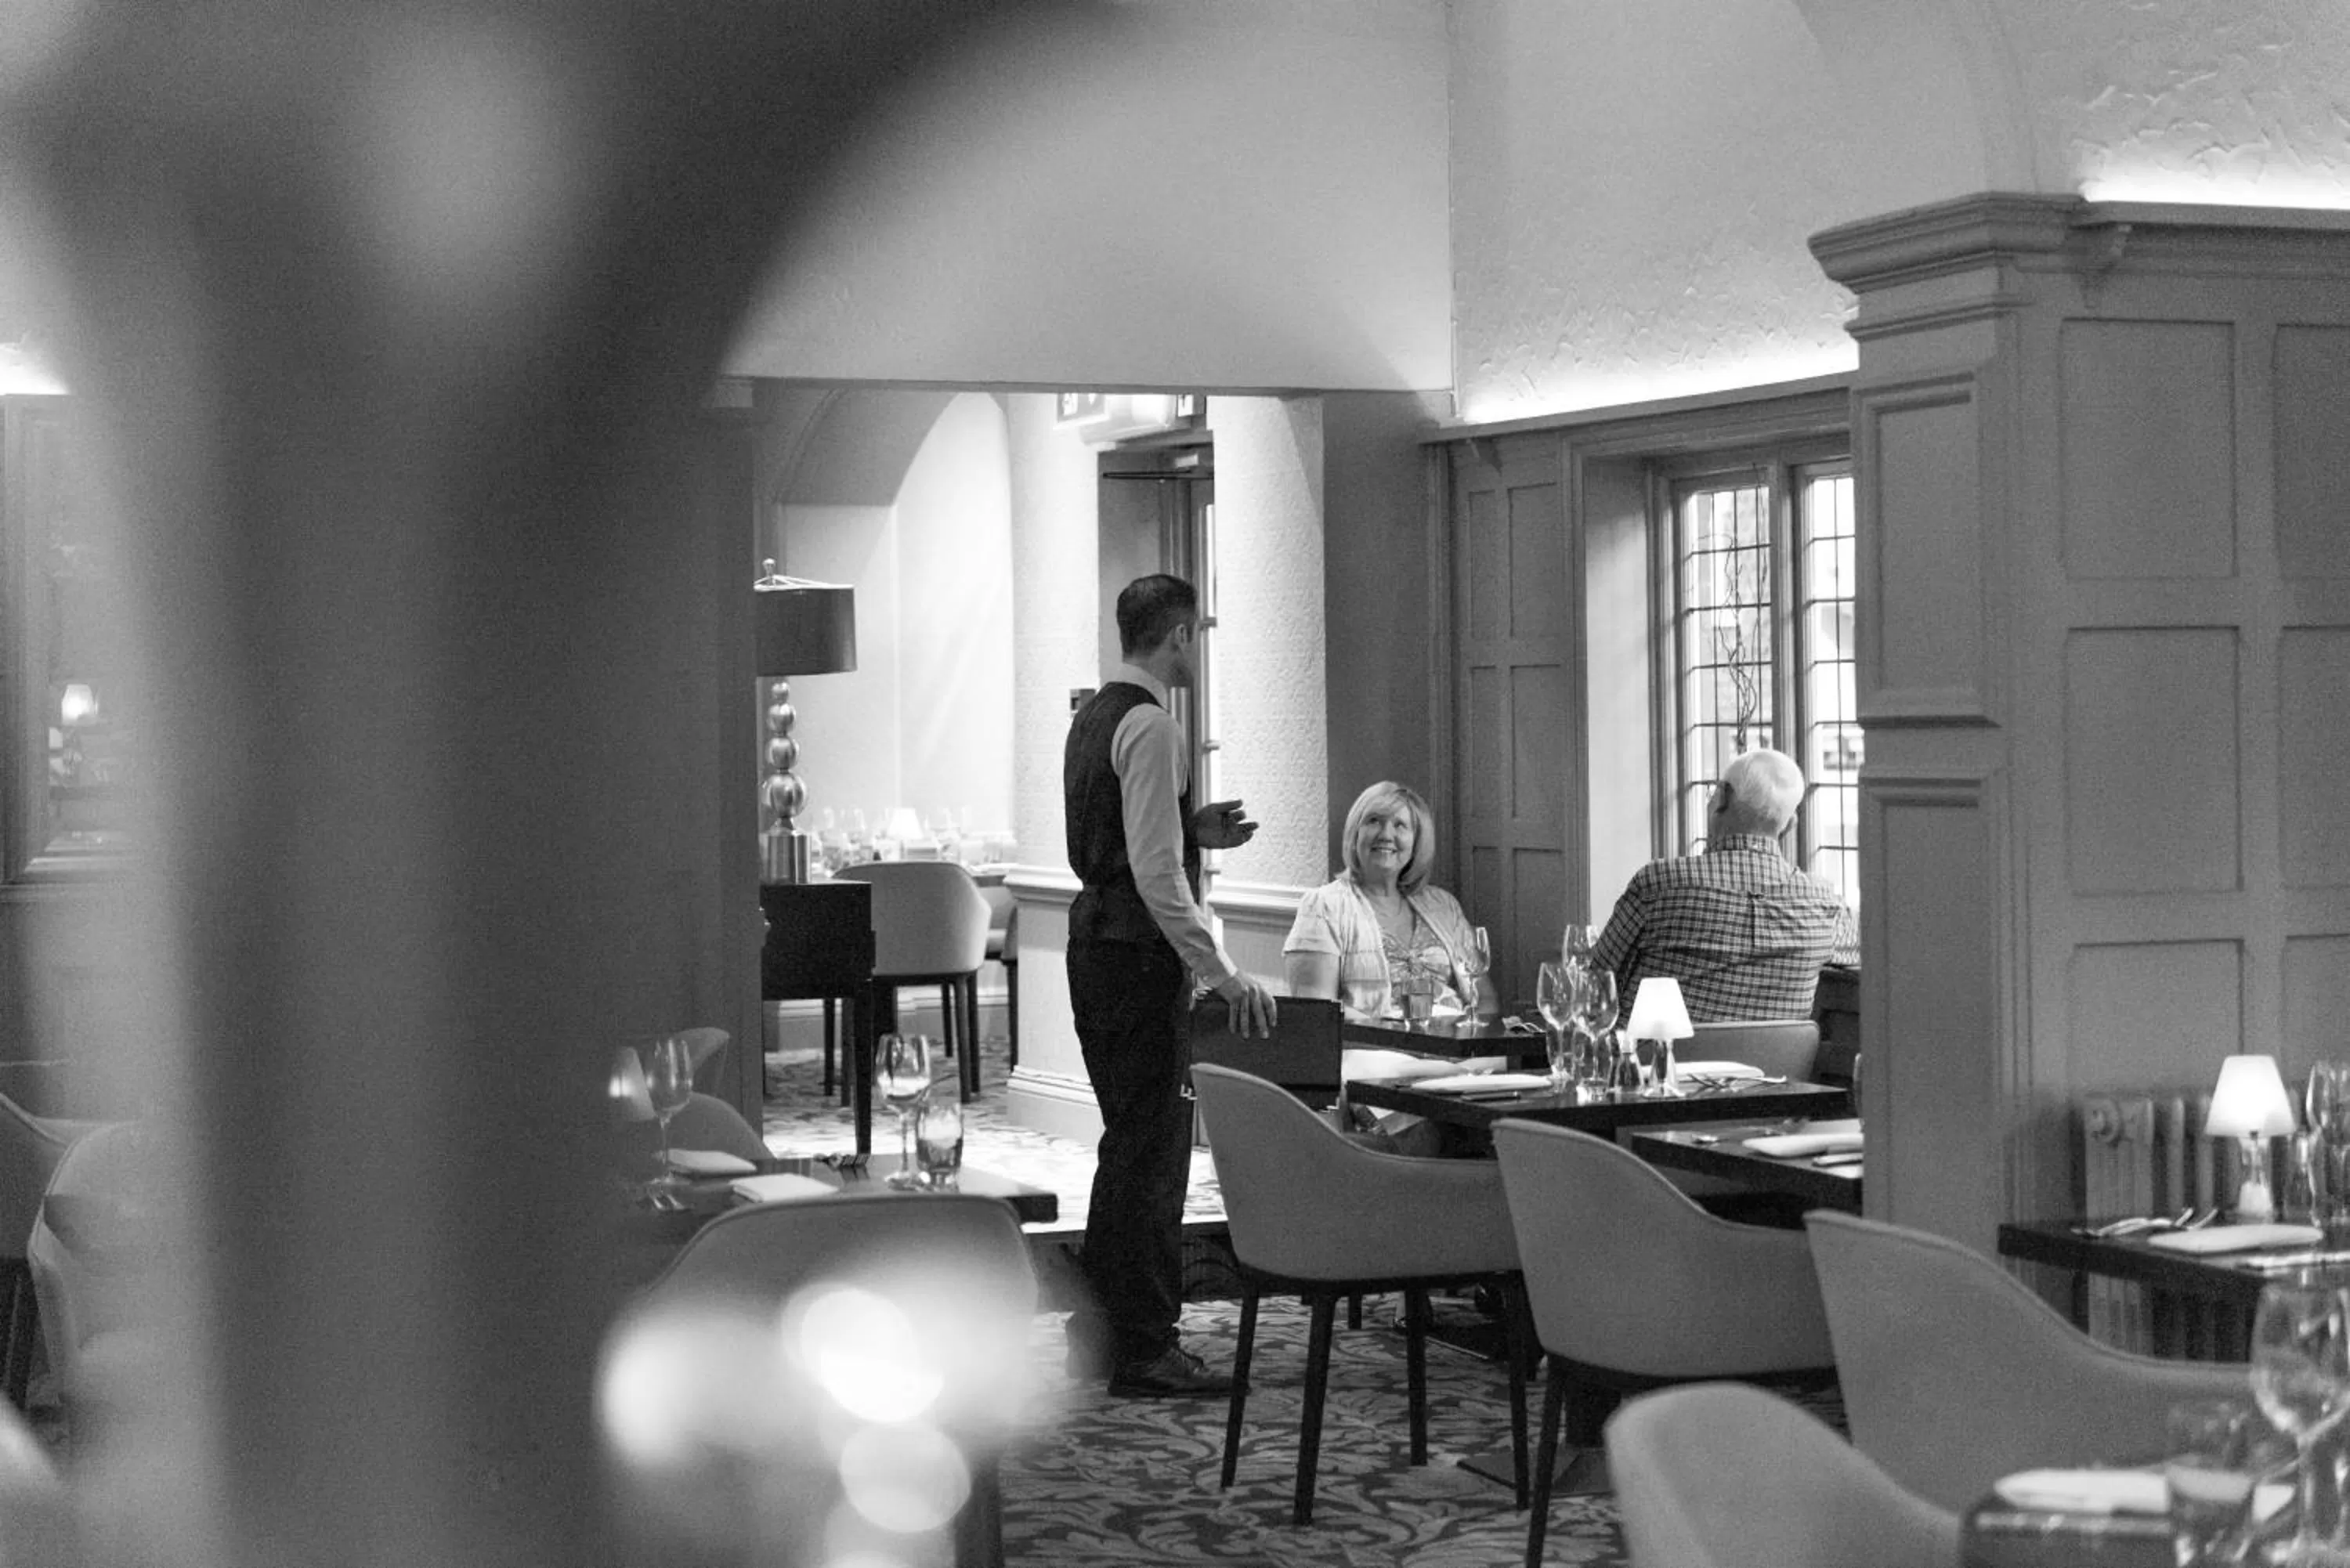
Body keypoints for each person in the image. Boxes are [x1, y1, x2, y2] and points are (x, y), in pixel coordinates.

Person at [1064, 573, 1277, 1399]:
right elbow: (1156, 875)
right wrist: (1221, 971)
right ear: (1180, 635)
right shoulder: (1153, 725)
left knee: (1127, 1147)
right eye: (1198, 634)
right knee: (1152, 1159)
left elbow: (1115, 840)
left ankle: (1102, 1334)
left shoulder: (1094, 715)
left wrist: (1191, 828)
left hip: (1095, 949)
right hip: (1137, 960)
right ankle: (1147, 1345)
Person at [1593, 747, 1859, 1021]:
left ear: (1721, 797)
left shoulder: (1659, 884)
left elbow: (1595, 985)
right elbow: (1857, 952)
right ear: (1790, 825)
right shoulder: (1825, 902)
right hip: (1778, 1052)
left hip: (1659, 1049)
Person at [1284, 780, 1483, 1022]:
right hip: (1370, 1043)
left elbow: (1483, 998)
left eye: (1400, 825)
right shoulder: (1324, 906)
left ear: (1416, 841)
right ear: (1355, 834)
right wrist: (1395, 1031)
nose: (1386, 835)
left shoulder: (1443, 905)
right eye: (1374, 821)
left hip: (1453, 1040)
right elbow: (1316, 1010)